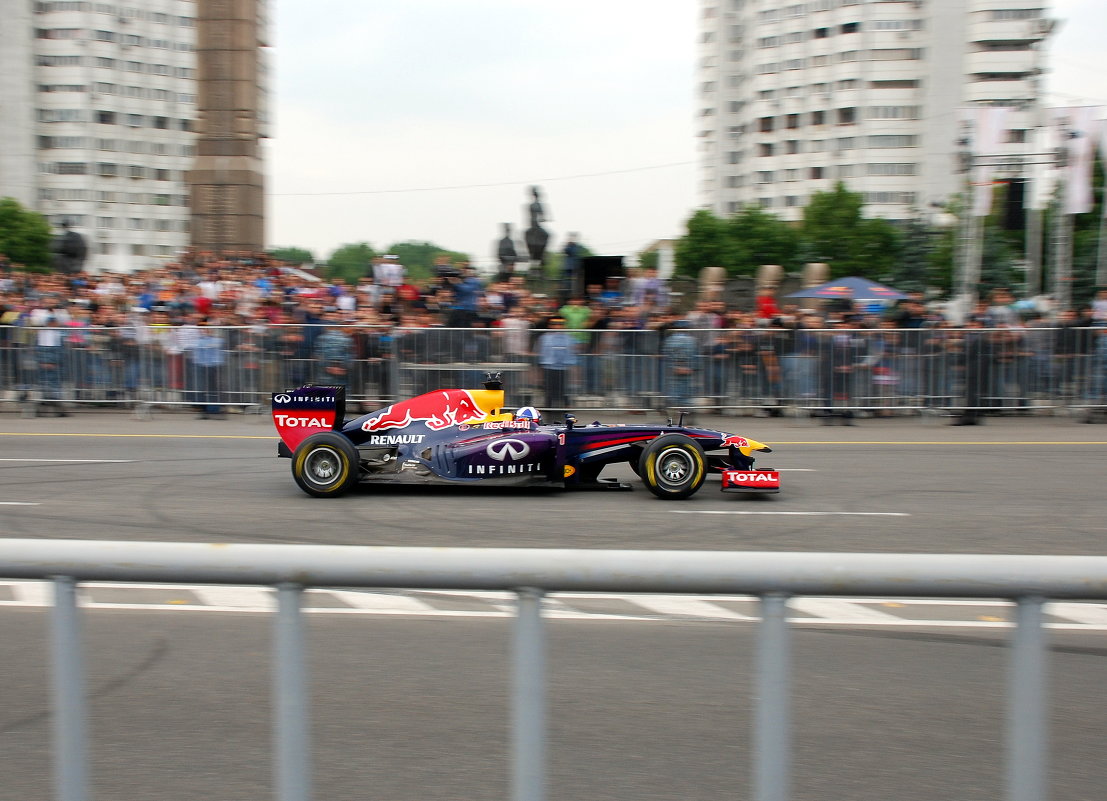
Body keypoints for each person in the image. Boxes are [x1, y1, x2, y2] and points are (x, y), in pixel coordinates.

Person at [535, 317, 576, 409]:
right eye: (554, 325)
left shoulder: (568, 337)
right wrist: (542, 363)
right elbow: (542, 351)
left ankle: (566, 404)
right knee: (549, 387)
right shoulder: (545, 337)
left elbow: (570, 351)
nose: (557, 327)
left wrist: (570, 363)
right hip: (549, 365)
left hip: (563, 366)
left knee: (563, 387)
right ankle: (548, 405)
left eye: (560, 325)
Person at [662, 320, 699, 419]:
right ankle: (688, 412)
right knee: (686, 391)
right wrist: (692, 368)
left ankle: (673, 413)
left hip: (674, 367)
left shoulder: (670, 340)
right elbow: (695, 355)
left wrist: (673, 367)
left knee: (674, 390)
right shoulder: (692, 340)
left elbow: (667, 354)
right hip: (688, 367)